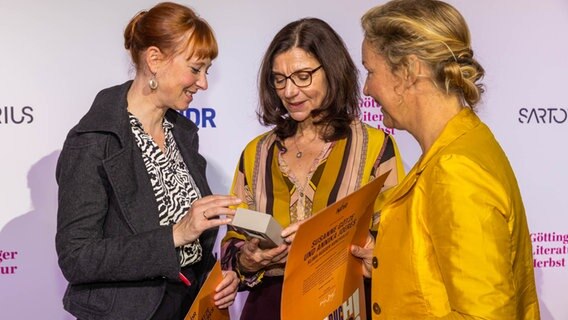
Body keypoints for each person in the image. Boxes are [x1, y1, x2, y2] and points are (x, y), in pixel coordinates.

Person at [350, 0, 540, 318]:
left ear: (408, 71)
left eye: (371, 71)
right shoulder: (464, 142)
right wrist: (391, 265)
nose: (367, 89)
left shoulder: (455, 169)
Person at [55, 3, 241, 319]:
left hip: (189, 306)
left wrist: (218, 276)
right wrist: (174, 235)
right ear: (154, 60)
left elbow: (193, 245)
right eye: (196, 69)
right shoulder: (93, 140)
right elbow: (77, 257)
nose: (203, 83)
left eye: (206, 71)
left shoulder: (181, 133)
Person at [220, 18, 404, 320]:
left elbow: (397, 239)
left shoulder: (374, 146)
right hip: (268, 307)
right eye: (279, 79)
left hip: (345, 305)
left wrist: (356, 246)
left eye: (303, 76)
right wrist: (248, 259)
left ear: (332, 70)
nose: (289, 91)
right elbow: (231, 242)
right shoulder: (257, 152)